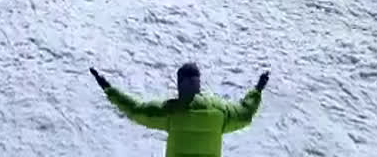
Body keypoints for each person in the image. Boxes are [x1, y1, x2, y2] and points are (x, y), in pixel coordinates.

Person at [89, 63, 268, 157]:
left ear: (179, 83)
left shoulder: (171, 111)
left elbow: (136, 110)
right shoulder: (220, 111)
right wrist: (257, 89)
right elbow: (245, 114)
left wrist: (108, 88)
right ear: (199, 82)